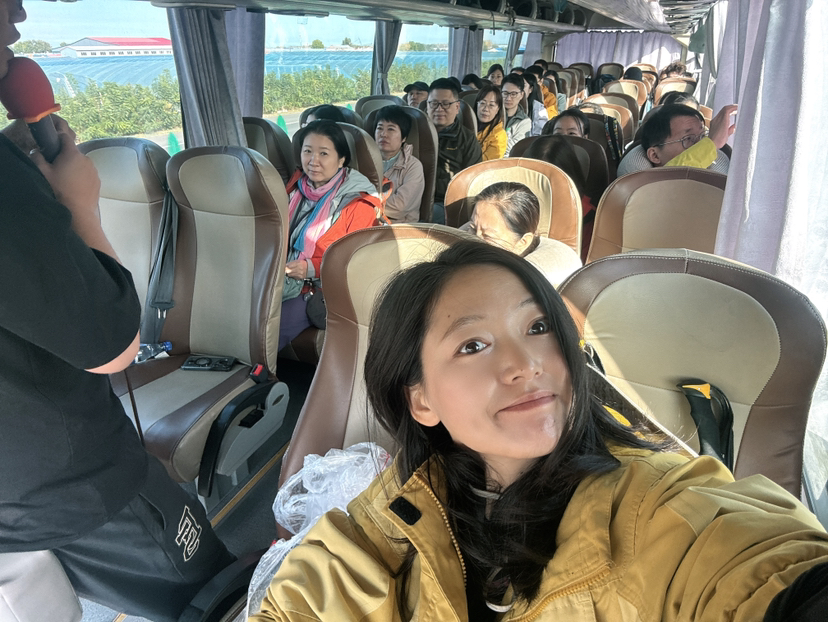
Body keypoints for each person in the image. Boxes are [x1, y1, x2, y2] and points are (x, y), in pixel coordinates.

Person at [251, 239, 828, 622]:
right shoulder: (411, 499)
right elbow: (314, 595)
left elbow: (758, 567)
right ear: (420, 401)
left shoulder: (655, 508)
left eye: (538, 327)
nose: (526, 364)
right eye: (473, 344)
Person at [0, 4, 234, 620]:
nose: (20, 11)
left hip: (15, 491)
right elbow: (114, 347)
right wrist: (79, 203)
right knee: (215, 595)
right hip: (67, 485)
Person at [280, 120, 381, 348]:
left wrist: (311, 268)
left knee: (263, 331)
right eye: (307, 151)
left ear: (341, 159)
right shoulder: (295, 187)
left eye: (323, 153)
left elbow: (356, 261)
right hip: (280, 277)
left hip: (320, 288)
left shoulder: (358, 201)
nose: (313, 161)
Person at [467, 182, 581, 286]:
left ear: (523, 242)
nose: (473, 241)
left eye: (488, 236)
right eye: (472, 228)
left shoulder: (541, 273)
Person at [523, 136, 596, 261]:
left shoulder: (584, 215)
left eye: (549, 179)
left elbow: (585, 264)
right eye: (536, 178)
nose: (542, 186)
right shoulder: (511, 206)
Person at [617, 103, 736, 177]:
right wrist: (712, 143)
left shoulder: (717, 170)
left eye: (702, 136)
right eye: (688, 139)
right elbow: (659, 196)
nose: (701, 145)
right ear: (655, 155)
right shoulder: (634, 173)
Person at [426, 77, 483, 223]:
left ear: (457, 107)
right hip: (412, 197)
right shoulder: (417, 134)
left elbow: (472, 181)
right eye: (434, 103)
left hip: (445, 202)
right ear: (427, 105)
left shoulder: (467, 139)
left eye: (446, 104)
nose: (439, 109)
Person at [374, 105, 425, 223]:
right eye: (380, 128)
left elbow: (400, 207)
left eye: (391, 129)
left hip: (400, 227)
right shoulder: (366, 162)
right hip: (368, 222)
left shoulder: (413, 166)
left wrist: (365, 203)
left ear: (403, 138)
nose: (383, 134)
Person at [474, 85, 508, 161]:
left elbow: (486, 165)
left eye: (491, 105)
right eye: (482, 103)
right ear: (477, 104)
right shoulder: (466, 125)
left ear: (497, 109)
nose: (486, 109)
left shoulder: (499, 135)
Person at [501, 74, 532, 154]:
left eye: (513, 94)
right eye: (505, 93)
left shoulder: (525, 122)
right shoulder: (492, 113)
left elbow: (514, 148)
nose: (508, 98)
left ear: (521, 95)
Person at [522, 72, 550, 136]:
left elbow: (541, 133)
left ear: (530, 89)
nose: (519, 89)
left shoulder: (540, 108)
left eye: (523, 86)